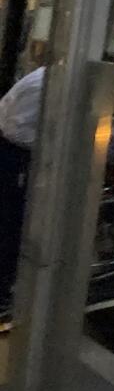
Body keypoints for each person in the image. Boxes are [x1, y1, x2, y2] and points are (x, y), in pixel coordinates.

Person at [0, 63, 46, 308]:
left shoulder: (38, 78)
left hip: (11, 152)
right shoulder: (44, 86)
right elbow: (17, 129)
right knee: (12, 220)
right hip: (14, 155)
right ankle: (4, 284)